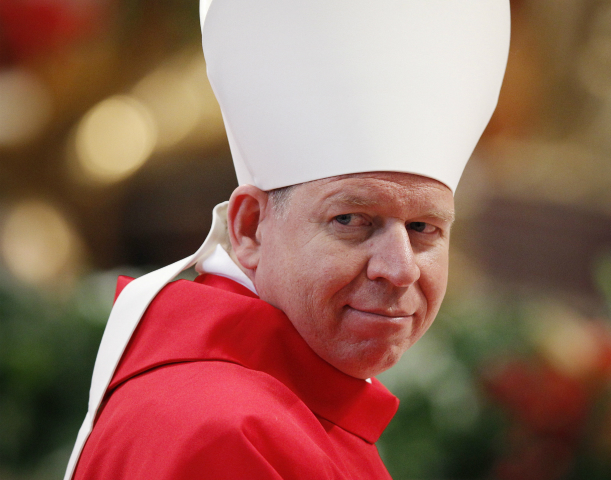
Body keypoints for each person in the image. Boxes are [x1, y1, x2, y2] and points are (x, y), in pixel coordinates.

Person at [64, 0, 510, 479]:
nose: (400, 269)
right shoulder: (225, 433)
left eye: (424, 228)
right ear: (251, 227)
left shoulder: (294, 404)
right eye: (352, 220)